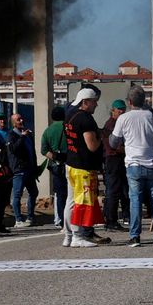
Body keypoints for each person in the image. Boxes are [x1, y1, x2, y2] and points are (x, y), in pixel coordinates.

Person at [108, 84, 153, 247]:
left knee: (135, 200)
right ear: (144, 100)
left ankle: (135, 236)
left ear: (129, 102)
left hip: (133, 164)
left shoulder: (123, 118)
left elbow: (113, 142)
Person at [64, 87, 107, 247]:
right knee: (82, 202)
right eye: (94, 102)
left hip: (71, 163)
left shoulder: (70, 114)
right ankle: (78, 236)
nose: (96, 105)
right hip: (83, 167)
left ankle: (68, 235)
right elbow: (92, 146)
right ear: (85, 102)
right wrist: (100, 137)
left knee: (71, 201)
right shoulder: (86, 119)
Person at [1, 112, 39, 228]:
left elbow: (32, 151)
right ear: (13, 123)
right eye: (18, 120)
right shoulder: (11, 135)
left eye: (21, 118)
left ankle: (30, 217)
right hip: (19, 169)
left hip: (29, 169)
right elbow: (13, 149)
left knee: (33, 192)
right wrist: (22, 137)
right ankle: (18, 219)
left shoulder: (28, 134)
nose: (21, 121)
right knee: (17, 194)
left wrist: (35, 167)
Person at [100, 99, 130, 231]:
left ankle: (116, 218)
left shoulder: (119, 123)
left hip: (118, 160)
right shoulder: (111, 125)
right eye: (119, 110)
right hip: (113, 160)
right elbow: (114, 146)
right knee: (113, 191)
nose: (122, 112)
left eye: (123, 110)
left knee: (120, 191)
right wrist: (130, 148)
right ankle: (111, 220)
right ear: (113, 111)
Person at [41, 106, 69, 228]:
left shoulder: (48, 131)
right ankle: (71, 218)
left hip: (56, 166)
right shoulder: (67, 127)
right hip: (70, 163)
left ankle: (61, 220)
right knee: (71, 193)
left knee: (60, 194)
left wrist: (55, 158)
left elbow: (43, 150)